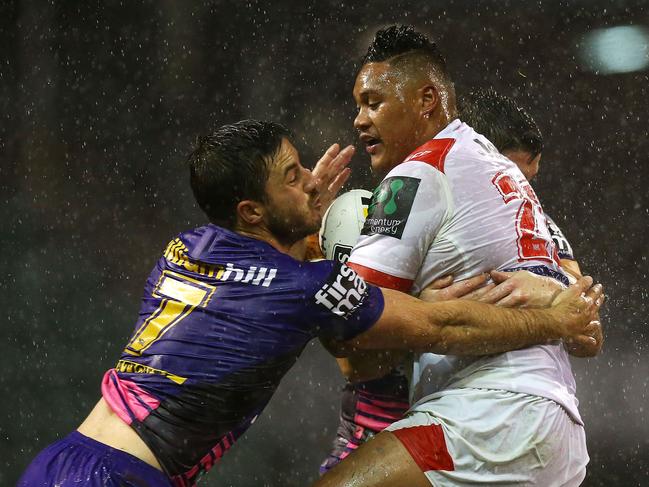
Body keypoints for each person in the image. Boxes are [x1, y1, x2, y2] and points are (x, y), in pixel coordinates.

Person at [18, 120, 602, 487]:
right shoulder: (305, 288)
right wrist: (552, 320)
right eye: (292, 176)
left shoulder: (185, 247)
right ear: (252, 210)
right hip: (117, 476)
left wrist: (297, 217)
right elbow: (435, 323)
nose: (312, 183)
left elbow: (260, 275)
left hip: (62, 460)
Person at [315, 26, 603, 487]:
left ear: (426, 99)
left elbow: (350, 330)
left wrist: (417, 313)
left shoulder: (416, 174)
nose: (359, 120)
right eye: (358, 105)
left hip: (489, 417)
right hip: (555, 424)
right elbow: (589, 329)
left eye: (373, 102)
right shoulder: (502, 171)